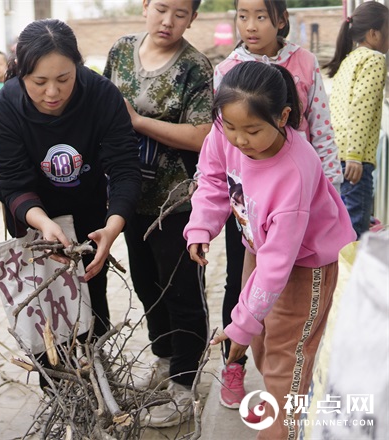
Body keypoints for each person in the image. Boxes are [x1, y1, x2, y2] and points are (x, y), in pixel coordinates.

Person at [185, 62, 356, 440]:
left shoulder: (294, 171)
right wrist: (201, 226)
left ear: (283, 117)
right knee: (263, 344)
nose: (239, 140)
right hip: (258, 250)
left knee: (287, 356)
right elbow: (213, 180)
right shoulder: (223, 132)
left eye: (252, 130)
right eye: (230, 127)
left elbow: (278, 265)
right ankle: (282, 402)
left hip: (304, 264)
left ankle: (283, 426)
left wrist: (241, 326)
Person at [0, 19, 141, 384]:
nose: (52, 92)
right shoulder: (5, 108)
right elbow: (12, 183)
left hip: (90, 216)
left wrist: (113, 226)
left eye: (64, 79)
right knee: (48, 313)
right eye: (39, 82)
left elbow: (124, 169)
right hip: (35, 221)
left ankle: (99, 378)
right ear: (21, 72)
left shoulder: (102, 95)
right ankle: (60, 392)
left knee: (91, 300)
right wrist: (42, 223)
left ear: (78, 67)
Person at [211, 0, 343, 410]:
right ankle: (240, 354)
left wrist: (327, 196)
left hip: (293, 209)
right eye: (242, 15)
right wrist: (203, 223)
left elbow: (320, 127)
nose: (251, 25)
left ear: (281, 19)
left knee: (287, 338)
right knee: (245, 289)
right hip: (250, 212)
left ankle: (284, 408)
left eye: (261, 16)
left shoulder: (303, 64)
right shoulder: (226, 71)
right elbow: (214, 161)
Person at [103, 0, 212, 428]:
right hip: (129, 199)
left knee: (182, 290)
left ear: (193, 18)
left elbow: (205, 135)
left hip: (177, 203)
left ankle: (185, 386)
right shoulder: (120, 50)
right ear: (145, 4)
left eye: (180, 13)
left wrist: (138, 122)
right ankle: (165, 362)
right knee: (148, 285)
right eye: (161, 7)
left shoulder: (195, 68)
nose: (168, 21)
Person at [325, 1, 389, 239]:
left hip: (337, 156)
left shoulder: (349, 60)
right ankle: (352, 277)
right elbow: (361, 108)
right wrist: (355, 156)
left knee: (341, 230)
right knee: (355, 234)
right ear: (374, 34)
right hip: (355, 162)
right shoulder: (374, 60)